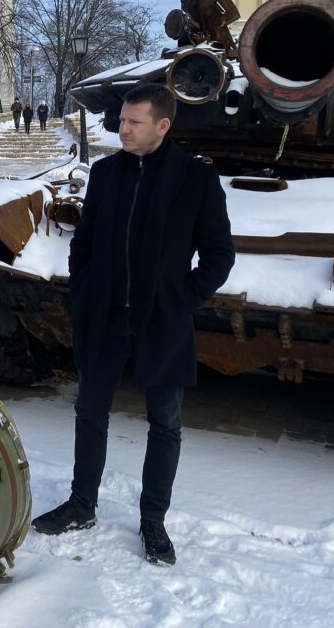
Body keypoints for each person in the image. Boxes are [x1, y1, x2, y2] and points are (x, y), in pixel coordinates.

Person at [30, 83, 235, 566]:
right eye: (121, 120)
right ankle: (82, 506)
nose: (120, 128)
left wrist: (179, 300)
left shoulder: (196, 180)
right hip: (104, 314)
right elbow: (85, 240)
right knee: (89, 411)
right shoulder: (105, 173)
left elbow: (220, 255)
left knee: (165, 422)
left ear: (162, 126)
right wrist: (83, 287)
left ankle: (153, 522)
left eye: (132, 122)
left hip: (161, 319)